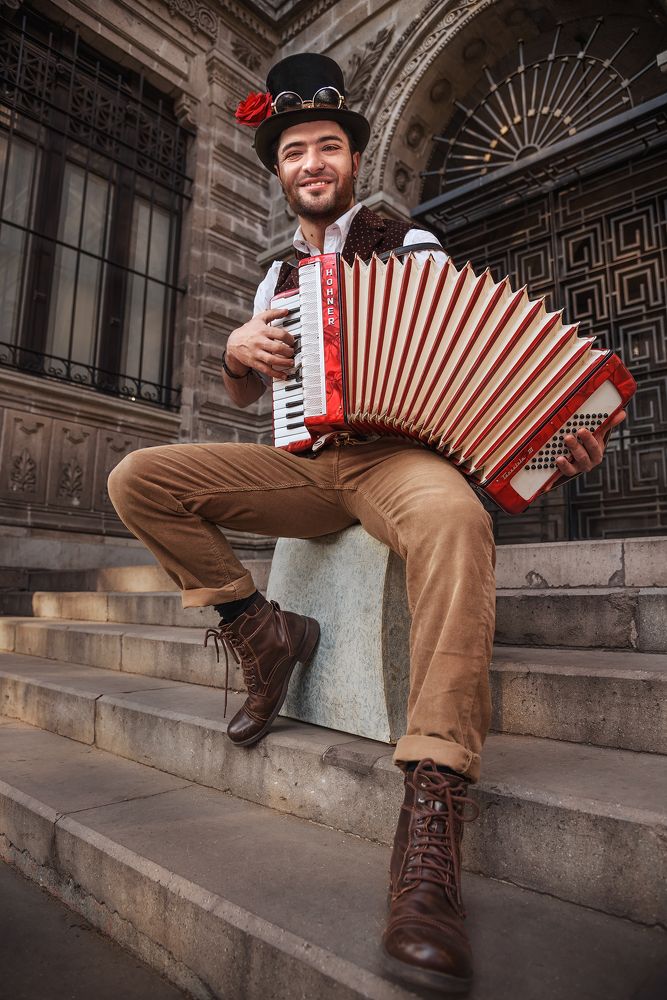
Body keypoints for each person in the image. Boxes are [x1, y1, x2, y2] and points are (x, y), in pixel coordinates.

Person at [108, 52, 625, 994]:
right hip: (304, 462)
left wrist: (555, 431)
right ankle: (262, 632)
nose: (312, 162)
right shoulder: (273, 279)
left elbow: (475, 362)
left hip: (398, 454)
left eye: (328, 147)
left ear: (352, 158)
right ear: (279, 169)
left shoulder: (410, 244)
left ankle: (430, 815)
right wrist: (234, 348)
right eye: (295, 149)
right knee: (141, 477)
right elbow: (241, 384)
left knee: (458, 521)